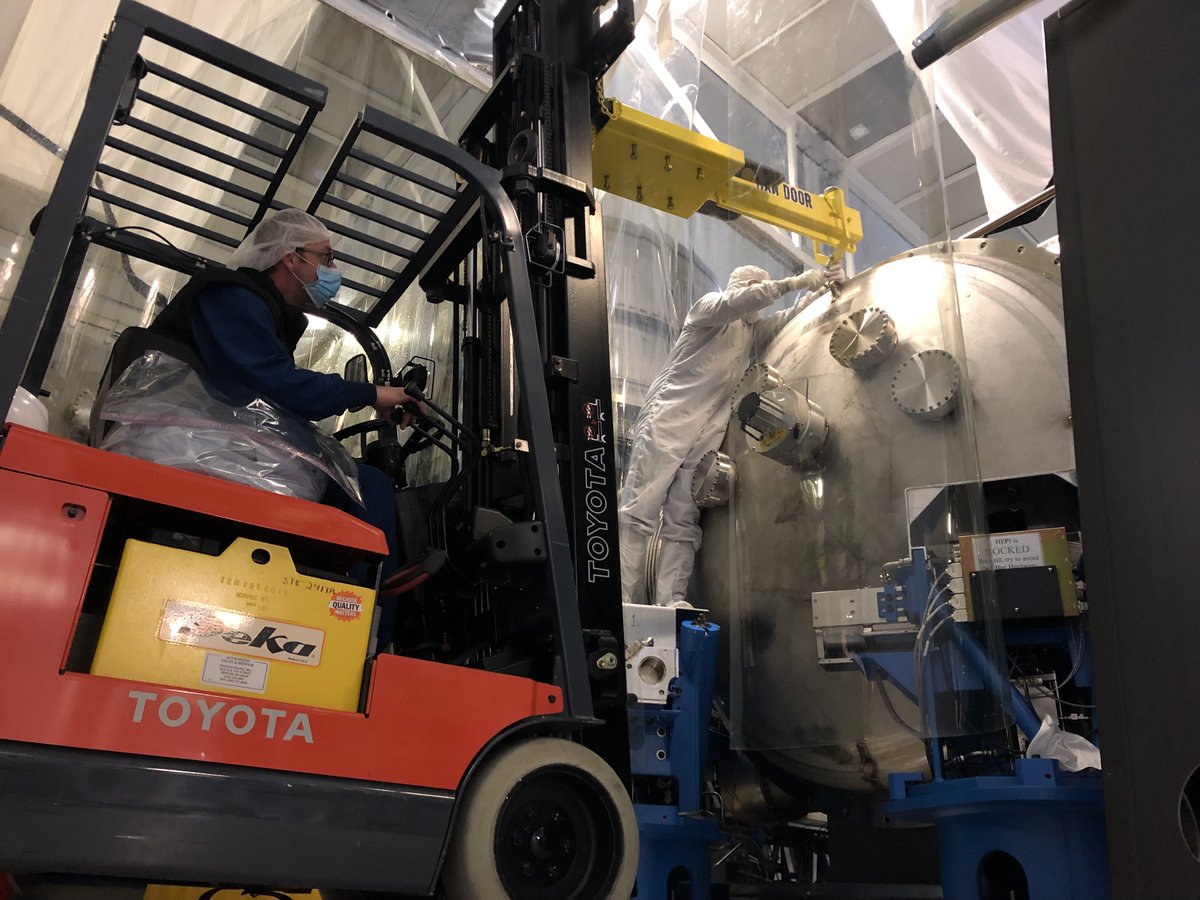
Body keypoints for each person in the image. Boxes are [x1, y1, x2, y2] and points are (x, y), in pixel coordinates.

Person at [146, 208, 420, 586]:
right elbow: (283, 385)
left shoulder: (259, 309)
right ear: (290, 257)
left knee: (343, 472)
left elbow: (272, 394)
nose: (332, 269)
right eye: (326, 258)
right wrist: (372, 393)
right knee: (366, 487)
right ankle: (371, 626)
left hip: (207, 439)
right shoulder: (232, 296)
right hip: (186, 443)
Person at [618, 262, 846, 607]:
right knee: (639, 511)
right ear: (739, 285)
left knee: (683, 520)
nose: (762, 292)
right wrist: (793, 281)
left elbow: (791, 318)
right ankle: (615, 599)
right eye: (756, 285)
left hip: (706, 431)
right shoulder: (709, 308)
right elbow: (739, 301)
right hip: (669, 418)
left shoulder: (751, 334)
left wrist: (822, 288)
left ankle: (671, 600)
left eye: (764, 286)